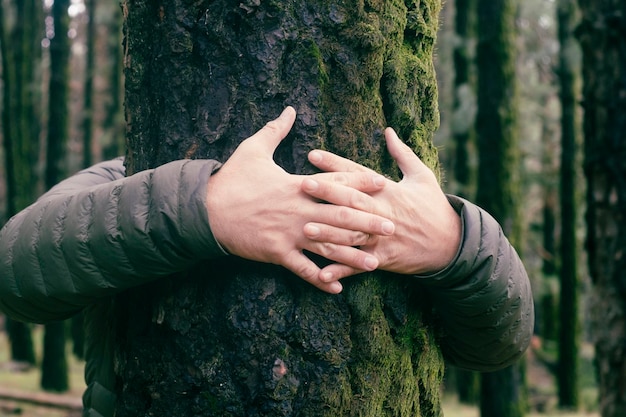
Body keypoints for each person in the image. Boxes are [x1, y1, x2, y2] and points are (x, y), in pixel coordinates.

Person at [0, 107, 533, 416]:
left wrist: (452, 244)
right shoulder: (126, 180)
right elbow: (15, 274)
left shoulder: (402, 202)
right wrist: (204, 208)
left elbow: (499, 345)